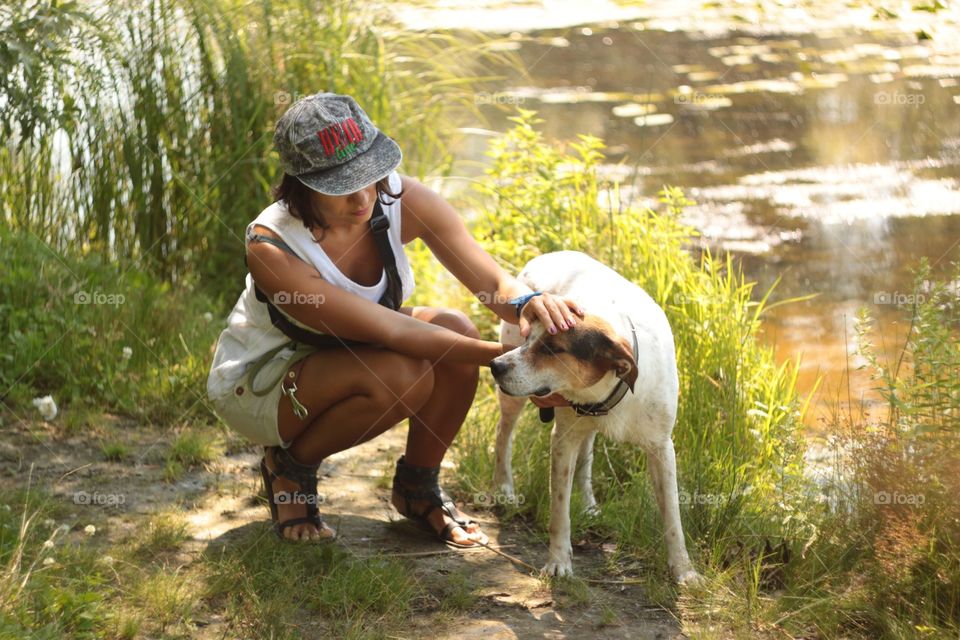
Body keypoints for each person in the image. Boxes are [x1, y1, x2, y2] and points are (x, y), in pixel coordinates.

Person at [206, 93, 583, 546]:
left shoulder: (399, 197)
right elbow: (393, 330)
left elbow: (491, 280)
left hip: (345, 356)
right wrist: (517, 365)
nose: (363, 196)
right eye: (342, 185)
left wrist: (528, 303)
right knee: (405, 375)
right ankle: (289, 468)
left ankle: (417, 489)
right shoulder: (272, 246)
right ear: (301, 184)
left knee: (456, 327)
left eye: (369, 173)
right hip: (263, 380)